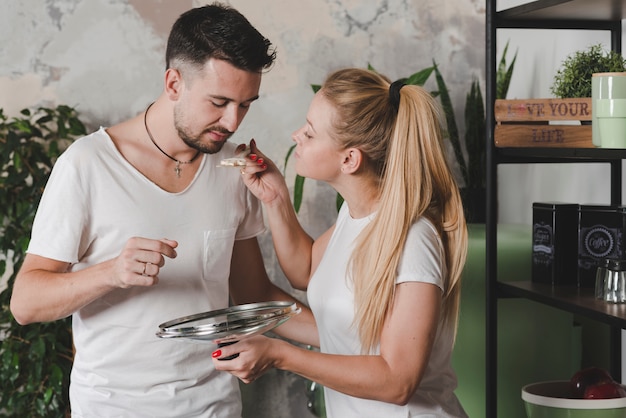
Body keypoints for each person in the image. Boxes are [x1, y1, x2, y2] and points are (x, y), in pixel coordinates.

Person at [10, 3, 316, 417]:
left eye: (245, 104)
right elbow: (26, 303)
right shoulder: (88, 164)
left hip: (214, 407)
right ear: (174, 83)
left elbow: (254, 294)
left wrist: (356, 338)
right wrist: (110, 272)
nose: (232, 122)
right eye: (219, 101)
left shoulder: (234, 172)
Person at [212, 68, 469, 417]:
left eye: (310, 132)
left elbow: (398, 381)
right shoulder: (355, 215)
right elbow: (306, 272)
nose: (296, 135)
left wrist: (281, 354)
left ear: (349, 159)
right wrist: (275, 199)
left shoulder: (413, 239)